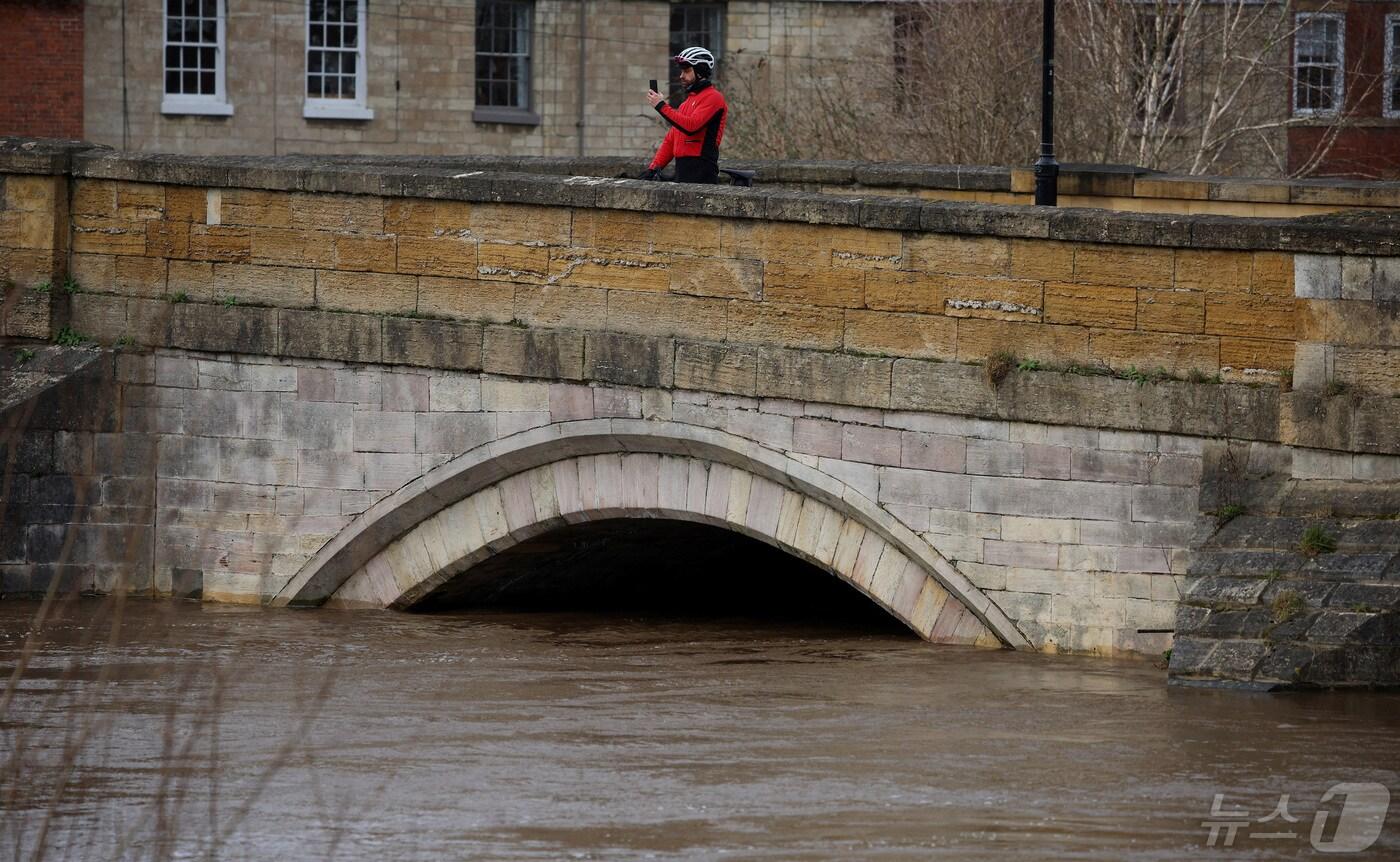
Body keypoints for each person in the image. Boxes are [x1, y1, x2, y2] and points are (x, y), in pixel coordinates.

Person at [641, 47, 727, 184]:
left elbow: (691, 126)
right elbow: (671, 140)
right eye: (682, 71)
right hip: (682, 170)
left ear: (700, 72)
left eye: (686, 71)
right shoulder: (685, 104)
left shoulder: (714, 98)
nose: (681, 76)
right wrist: (653, 169)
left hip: (702, 171)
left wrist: (661, 105)